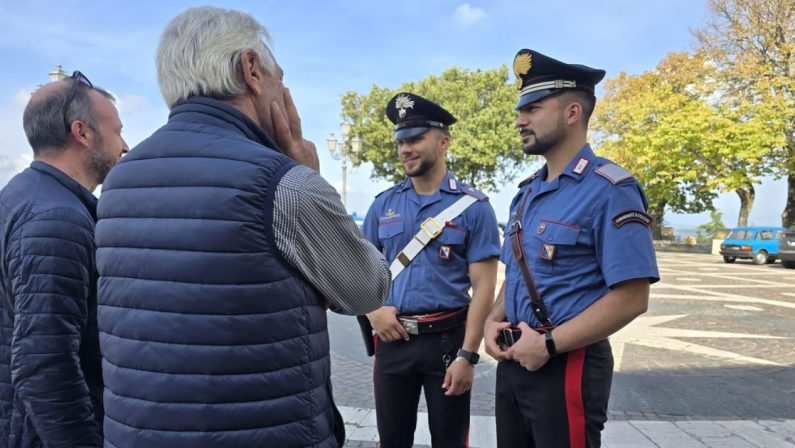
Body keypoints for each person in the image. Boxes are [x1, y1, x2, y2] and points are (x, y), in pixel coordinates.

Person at [94, 6, 390, 448]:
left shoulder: (118, 180)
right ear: (250, 69)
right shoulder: (284, 184)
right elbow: (367, 290)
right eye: (280, 78)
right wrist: (312, 175)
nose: (285, 91)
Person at [484, 49, 660, 448]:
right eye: (520, 109)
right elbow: (517, 274)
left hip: (567, 363)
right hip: (514, 360)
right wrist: (493, 320)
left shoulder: (611, 190)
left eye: (532, 108)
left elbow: (632, 298)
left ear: (572, 112)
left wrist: (547, 344)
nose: (519, 119)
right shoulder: (526, 194)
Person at [362, 92, 500, 448]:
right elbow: (358, 272)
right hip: (393, 342)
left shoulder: (474, 208)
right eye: (400, 141)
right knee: (392, 441)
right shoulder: (383, 205)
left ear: (444, 142)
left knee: (450, 441)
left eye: (415, 139)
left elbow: (484, 286)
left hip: (448, 341)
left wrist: (468, 355)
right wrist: (372, 310)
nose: (405, 149)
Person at [0, 71, 128, 447]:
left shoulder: (21, 193)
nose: (124, 145)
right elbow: (44, 365)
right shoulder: (58, 221)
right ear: (82, 133)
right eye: (117, 131)